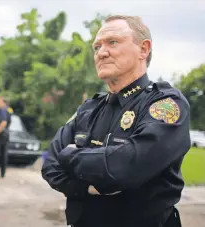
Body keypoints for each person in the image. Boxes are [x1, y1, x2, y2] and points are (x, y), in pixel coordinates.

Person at [41, 15, 190, 227]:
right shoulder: (89, 109)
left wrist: (70, 154)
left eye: (113, 42)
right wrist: (88, 188)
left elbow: (126, 167)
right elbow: (50, 165)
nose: (101, 53)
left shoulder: (165, 104)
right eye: (96, 47)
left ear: (143, 49)